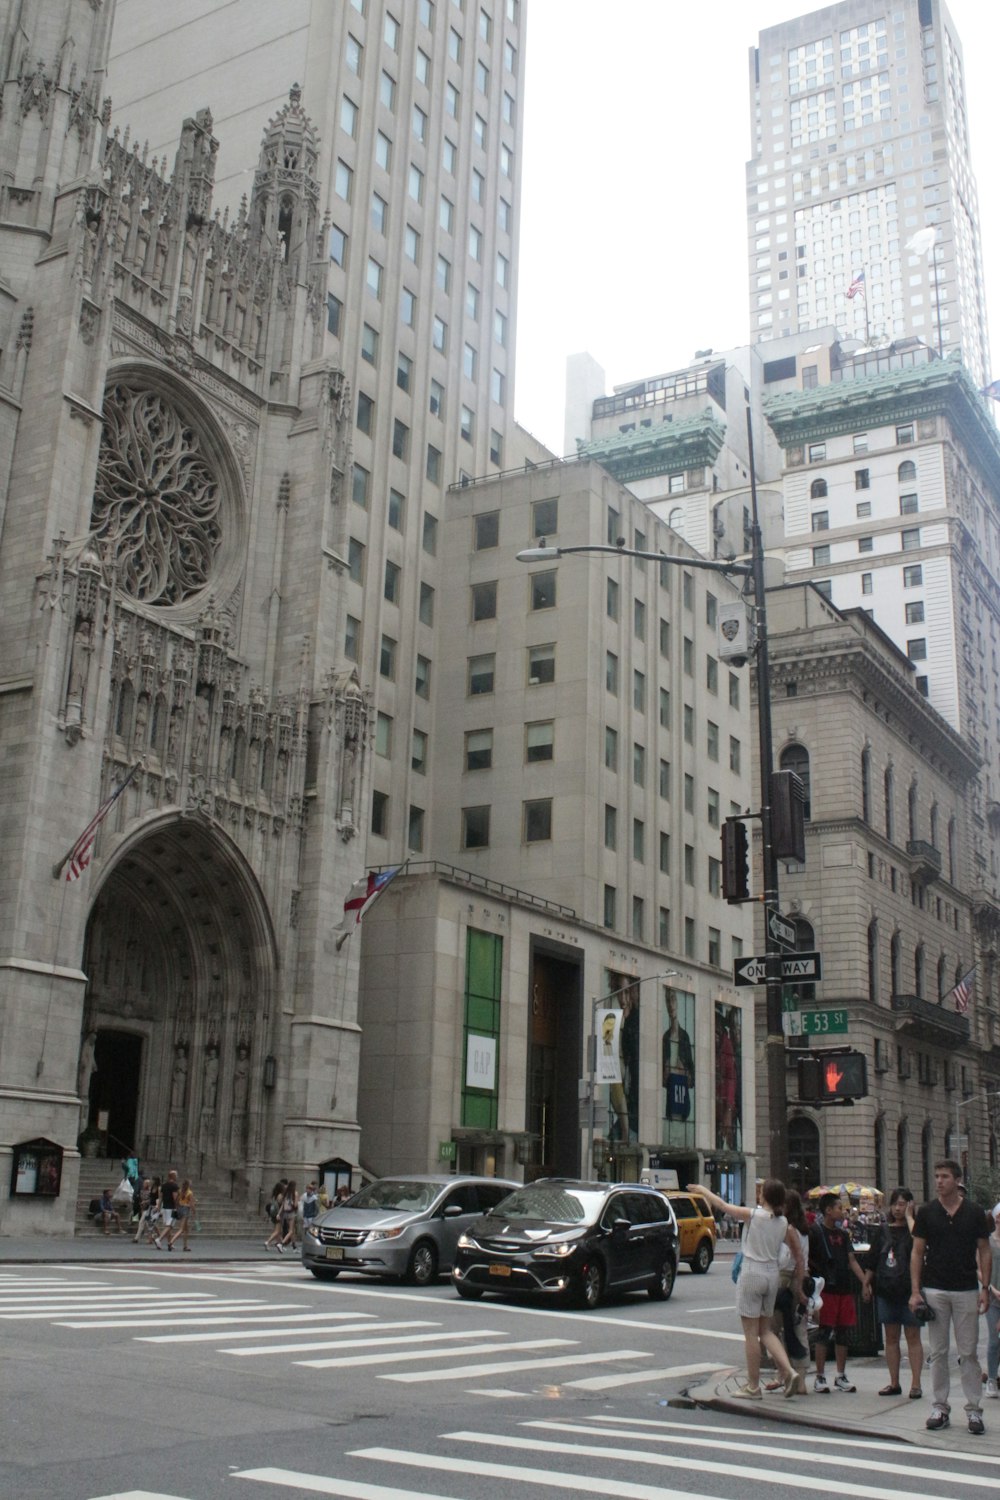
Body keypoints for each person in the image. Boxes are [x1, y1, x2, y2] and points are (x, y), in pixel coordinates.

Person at [689, 1179, 804, 1400]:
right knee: (766, 1331)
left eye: (761, 1193)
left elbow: (722, 1206)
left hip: (752, 1271)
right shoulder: (782, 1222)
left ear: (766, 1197)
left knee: (750, 1333)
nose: (758, 1196)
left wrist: (703, 1190)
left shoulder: (754, 1215)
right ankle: (789, 1371)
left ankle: (753, 1386)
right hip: (772, 1274)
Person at [911, 1158, 991, 1435]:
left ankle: (974, 1410)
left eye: (944, 1176)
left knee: (968, 1352)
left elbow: (985, 1250)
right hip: (935, 1289)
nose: (939, 1181)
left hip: (967, 1287)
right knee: (939, 1351)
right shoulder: (927, 1212)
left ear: (957, 1180)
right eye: (936, 1176)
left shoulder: (974, 1212)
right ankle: (940, 1406)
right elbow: (917, 1252)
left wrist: (985, 1288)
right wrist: (915, 1291)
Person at [863, 1187, 924, 1399]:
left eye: (903, 1204)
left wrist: (909, 1217)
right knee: (891, 1337)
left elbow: (920, 1242)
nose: (898, 1208)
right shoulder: (882, 1230)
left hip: (910, 1290)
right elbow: (873, 1259)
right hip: (887, 1289)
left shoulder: (915, 1228)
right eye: (896, 1204)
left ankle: (916, 1384)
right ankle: (894, 1382)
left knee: (913, 1336)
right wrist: (866, 1283)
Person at [808, 1192, 870, 1393]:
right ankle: (820, 1376)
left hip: (844, 1288)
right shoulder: (816, 1232)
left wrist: (864, 1282)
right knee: (824, 1332)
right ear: (827, 1210)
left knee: (843, 1332)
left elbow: (851, 1260)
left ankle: (840, 1375)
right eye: (838, 1208)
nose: (842, 1212)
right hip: (826, 1289)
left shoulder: (843, 1235)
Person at [768, 1188, 811, 1392]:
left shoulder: (787, 1229)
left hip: (786, 1278)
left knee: (774, 1330)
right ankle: (800, 1379)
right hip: (802, 1277)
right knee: (799, 1326)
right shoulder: (804, 1230)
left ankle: (785, 1374)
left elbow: (786, 1258)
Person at [984, 1204, 1000, 1400]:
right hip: (992, 1296)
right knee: (994, 1339)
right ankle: (991, 1378)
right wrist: (990, 1288)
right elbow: (978, 1268)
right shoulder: (987, 1242)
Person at [168, 1178, 196, 1251]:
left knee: (186, 1229)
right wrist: (194, 1211)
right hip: (185, 1210)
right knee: (181, 1229)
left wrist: (177, 1208)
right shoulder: (190, 1193)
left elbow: (176, 1201)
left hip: (180, 1209)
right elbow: (192, 1204)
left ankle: (185, 1246)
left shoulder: (180, 1191)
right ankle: (171, 1242)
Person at [156, 1169, 180, 1249]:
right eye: (176, 1175)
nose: (177, 1176)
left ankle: (170, 1243)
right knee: (169, 1226)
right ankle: (159, 1239)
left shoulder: (163, 1185)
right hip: (171, 1208)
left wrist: (159, 1207)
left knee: (167, 1226)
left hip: (165, 1207)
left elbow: (161, 1197)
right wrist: (177, 1207)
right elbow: (175, 1198)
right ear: (173, 1176)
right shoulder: (174, 1186)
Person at [264, 1179, 288, 1249]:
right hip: (279, 1214)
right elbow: (283, 1205)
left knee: (279, 1231)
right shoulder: (281, 1196)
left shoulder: (275, 1195)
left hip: (274, 1214)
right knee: (277, 1231)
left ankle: (280, 1244)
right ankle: (268, 1242)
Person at [277, 1180, 299, 1253]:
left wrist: (279, 1214)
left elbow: (283, 1205)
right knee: (291, 1231)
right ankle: (282, 1243)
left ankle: (294, 1246)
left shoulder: (286, 1193)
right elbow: (295, 1205)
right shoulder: (295, 1193)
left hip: (285, 1213)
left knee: (293, 1231)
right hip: (291, 1212)